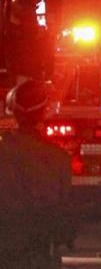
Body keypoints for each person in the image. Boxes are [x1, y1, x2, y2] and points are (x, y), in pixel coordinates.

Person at [0, 78, 73, 268]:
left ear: (12, 112)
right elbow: (63, 209)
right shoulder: (60, 158)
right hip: (40, 248)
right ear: (43, 112)